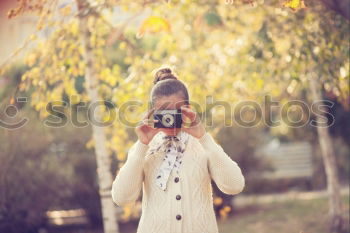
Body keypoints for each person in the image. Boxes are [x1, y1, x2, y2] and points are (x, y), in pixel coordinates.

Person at [111, 66, 245, 233]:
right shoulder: (143, 150)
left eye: (175, 111)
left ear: (187, 108)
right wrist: (141, 145)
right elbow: (121, 198)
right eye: (163, 113)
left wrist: (204, 137)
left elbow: (235, 185)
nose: (169, 118)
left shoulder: (204, 145)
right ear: (152, 112)